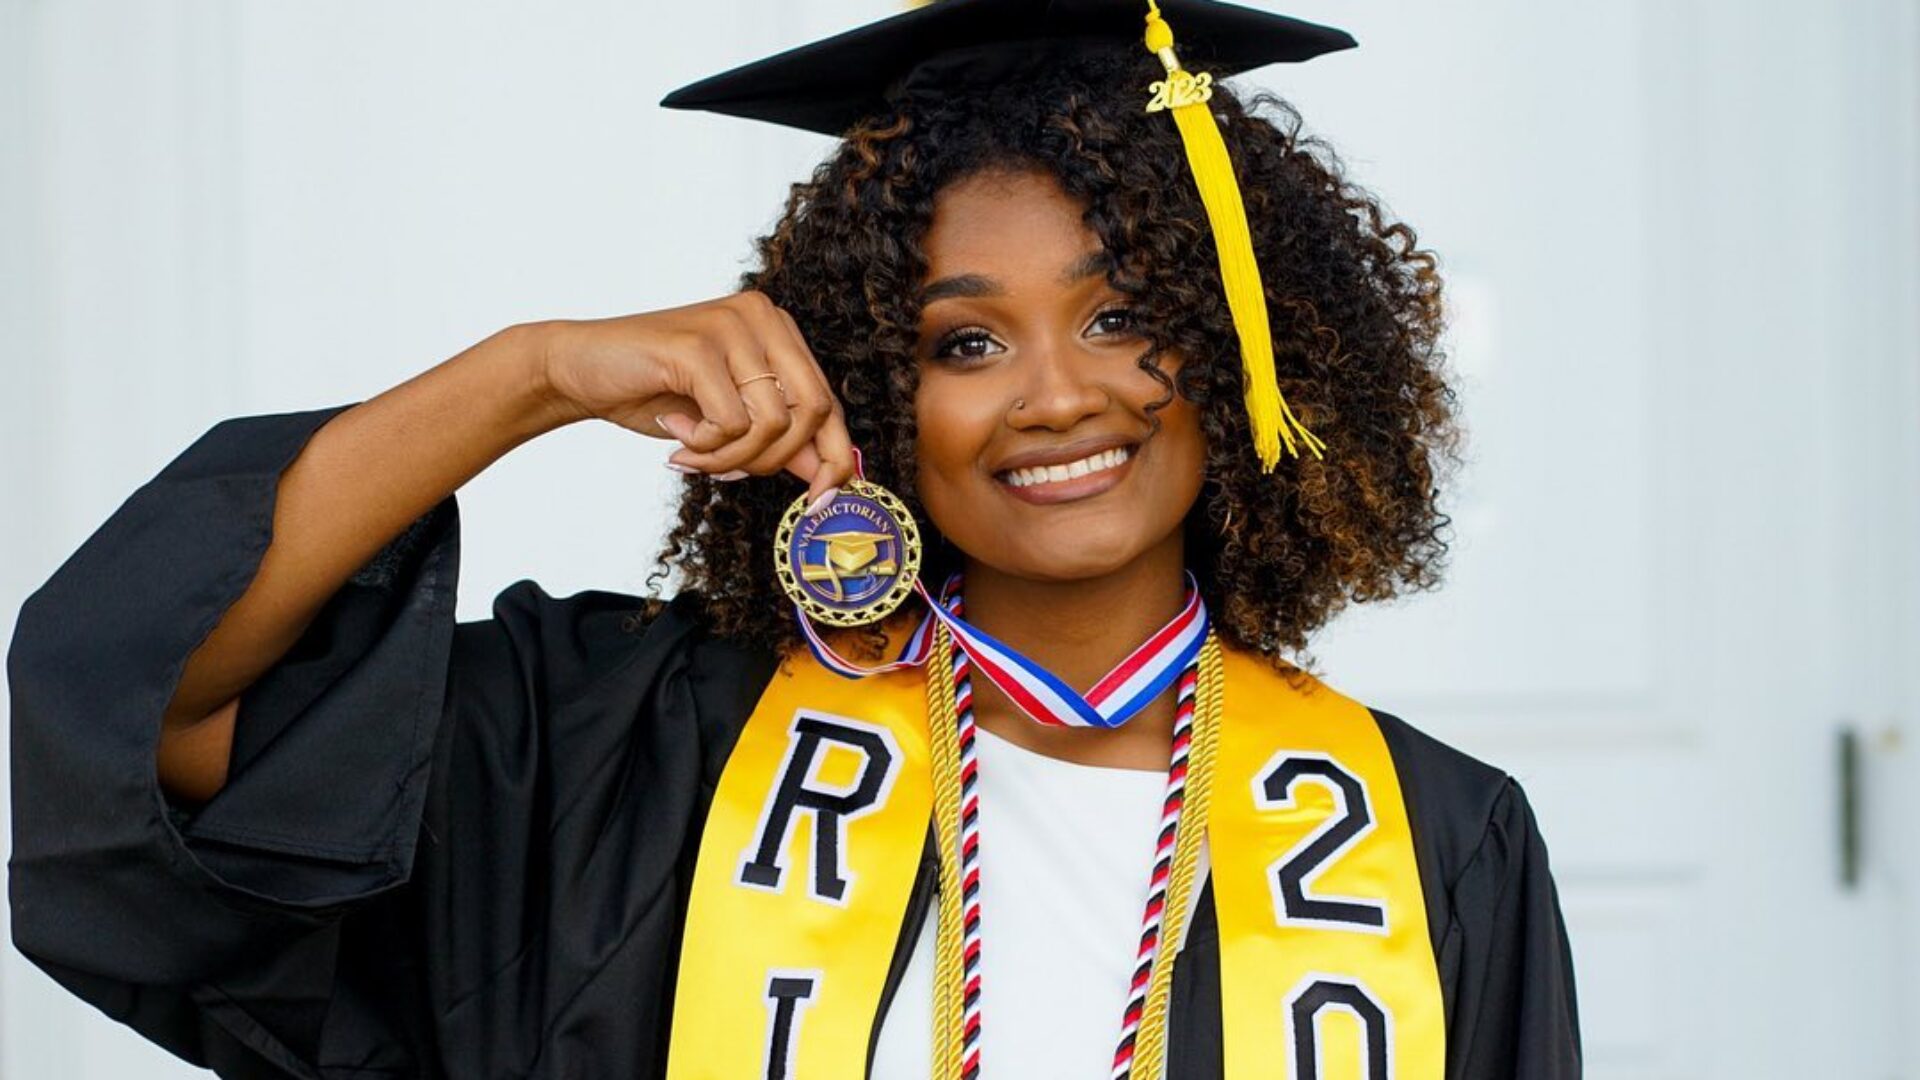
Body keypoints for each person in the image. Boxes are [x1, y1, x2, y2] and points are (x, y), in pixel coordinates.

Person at [7, 1, 1580, 1076]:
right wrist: (529, 374)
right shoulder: (621, 748)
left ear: (1249, 349)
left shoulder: (1430, 840)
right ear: (869, 382)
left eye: (1125, 314)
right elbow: (151, 709)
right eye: (964, 343)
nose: (1055, 396)